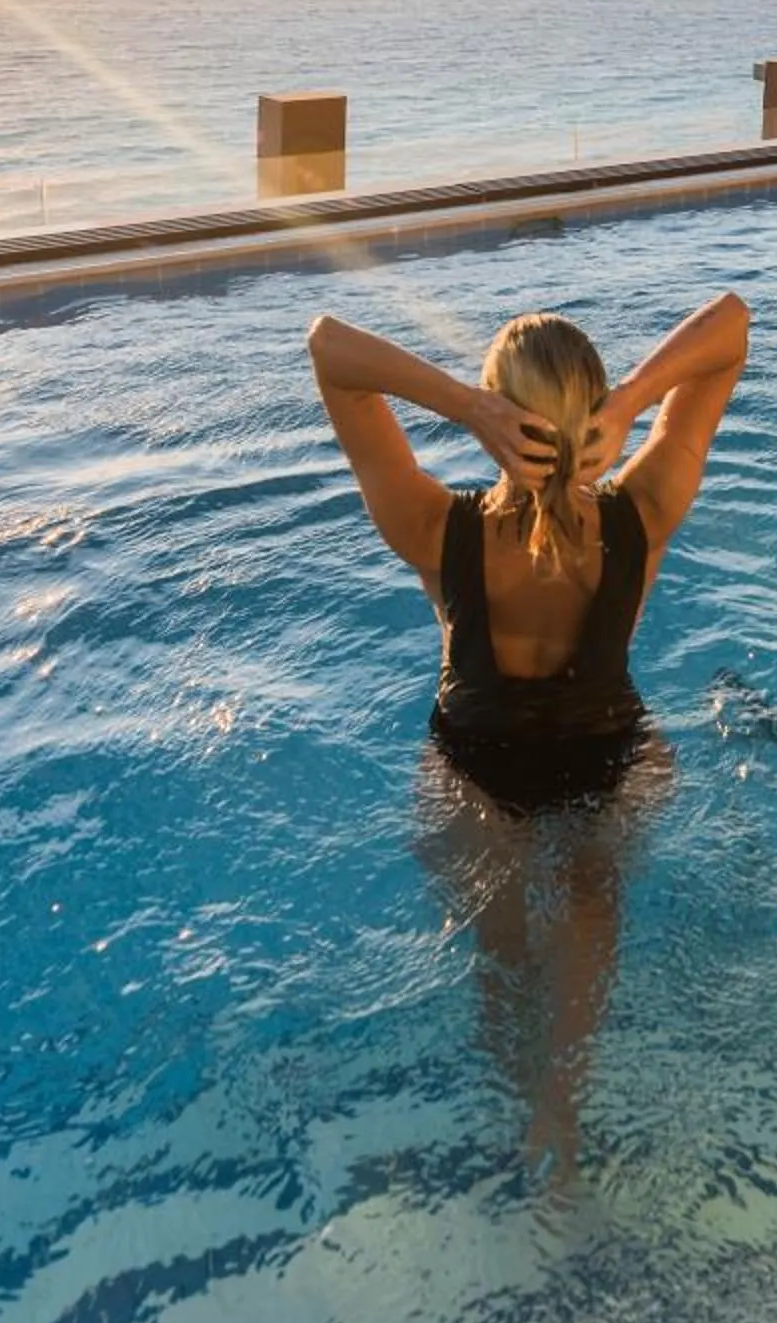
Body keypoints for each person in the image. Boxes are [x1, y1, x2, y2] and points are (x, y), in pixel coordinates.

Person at [305, 293, 751, 1176]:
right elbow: (731, 328)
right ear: (593, 414)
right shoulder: (645, 511)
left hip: (476, 768)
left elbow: (330, 350)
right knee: (591, 900)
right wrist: (633, 401)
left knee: (499, 943)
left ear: (501, 421)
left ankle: (519, 1113)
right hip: (608, 757)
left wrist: (466, 407)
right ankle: (564, 1113)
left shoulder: (434, 528)